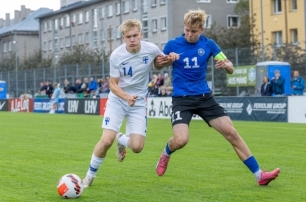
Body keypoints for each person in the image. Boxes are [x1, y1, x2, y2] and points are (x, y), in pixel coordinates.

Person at [154, 9, 280, 186]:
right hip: (182, 99)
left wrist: (226, 65)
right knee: (181, 140)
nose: (189, 34)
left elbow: (230, 67)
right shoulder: (173, 44)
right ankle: (166, 152)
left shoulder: (209, 44)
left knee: (232, 133)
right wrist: (168, 60)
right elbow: (158, 66)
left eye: (194, 31)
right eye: (187, 30)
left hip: (205, 98)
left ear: (202, 30)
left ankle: (260, 175)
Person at [82, 19, 174, 187]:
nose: (132, 39)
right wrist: (126, 97)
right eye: (128, 36)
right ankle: (89, 176)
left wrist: (171, 59)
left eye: (135, 35)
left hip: (138, 103)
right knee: (106, 140)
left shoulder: (151, 49)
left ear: (141, 35)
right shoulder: (117, 56)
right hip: (118, 100)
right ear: (123, 38)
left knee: (137, 147)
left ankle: (121, 139)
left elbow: (159, 65)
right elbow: (113, 84)